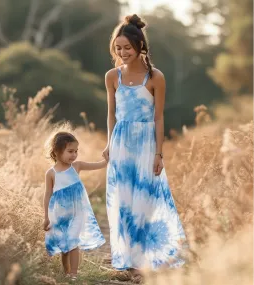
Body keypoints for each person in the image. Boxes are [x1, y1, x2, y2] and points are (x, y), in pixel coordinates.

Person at [102, 14, 187, 282]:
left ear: (140, 46)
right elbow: (111, 114)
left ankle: (145, 262)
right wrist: (109, 142)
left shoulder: (155, 77)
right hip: (121, 144)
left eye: (127, 47)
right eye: (118, 48)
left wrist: (159, 153)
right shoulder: (111, 76)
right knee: (122, 202)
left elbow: (158, 117)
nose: (123, 53)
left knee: (145, 201)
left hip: (146, 143)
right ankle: (128, 261)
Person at [43, 131, 106, 281]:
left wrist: (109, 157)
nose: (74, 155)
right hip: (59, 214)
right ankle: (66, 273)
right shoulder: (51, 173)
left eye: (76, 151)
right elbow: (47, 195)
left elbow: (100, 164)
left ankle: (74, 274)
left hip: (77, 213)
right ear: (57, 151)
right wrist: (46, 217)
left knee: (73, 241)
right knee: (65, 247)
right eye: (70, 151)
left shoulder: (76, 166)